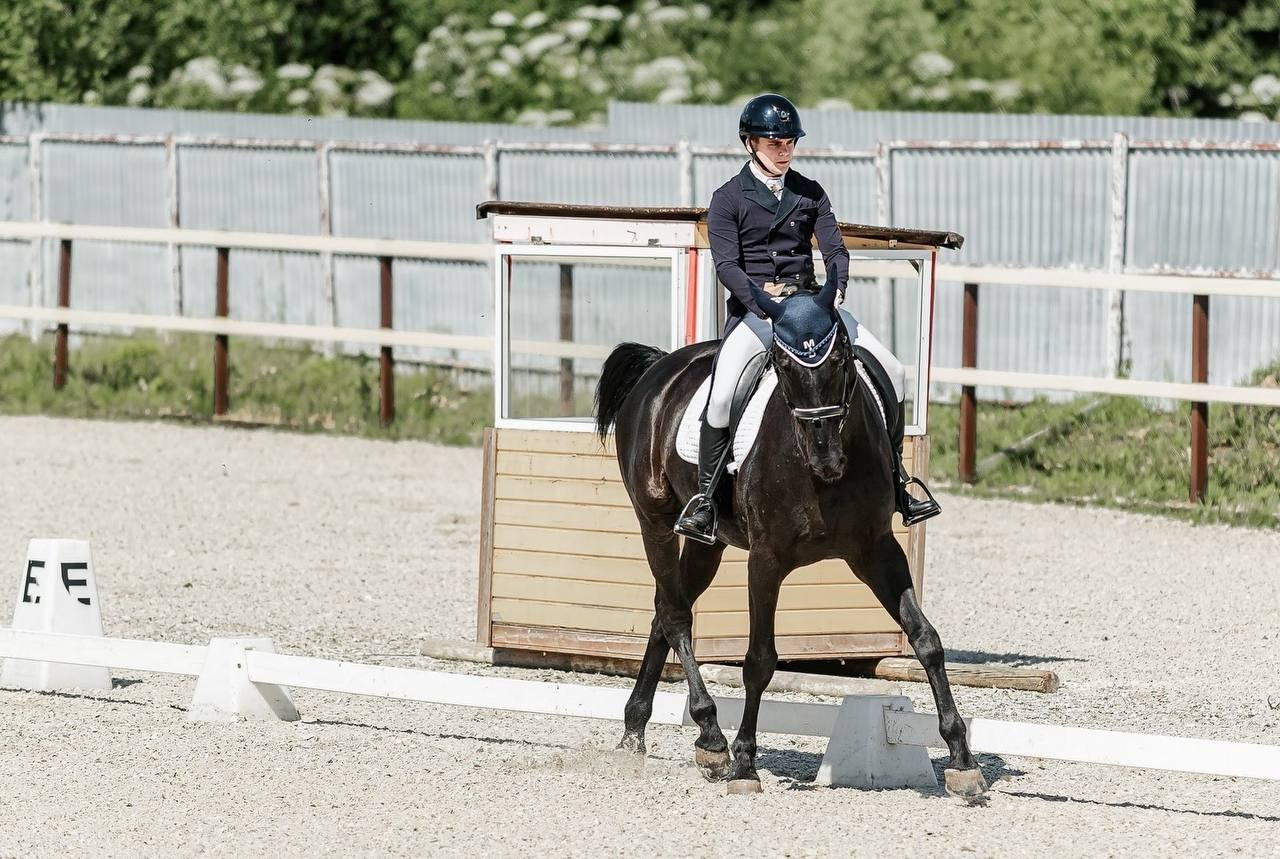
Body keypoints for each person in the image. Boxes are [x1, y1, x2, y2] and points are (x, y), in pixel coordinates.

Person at [673, 92, 941, 545]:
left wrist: (835, 289)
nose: (785, 149)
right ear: (750, 143)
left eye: (790, 142)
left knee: (893, 370)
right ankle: (704, 501)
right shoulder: (727, 199)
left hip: (813, 307)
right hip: (759, 314)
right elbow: (727, 267)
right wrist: (763, 302)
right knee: (719, 400)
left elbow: (834, 249)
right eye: (775, 142)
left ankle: (897, 481)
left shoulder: (810, 192)